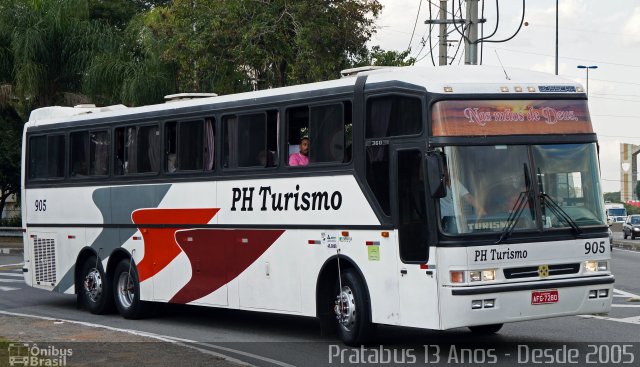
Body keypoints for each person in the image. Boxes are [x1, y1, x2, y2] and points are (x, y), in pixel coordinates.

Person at [440, 163, 485, 233]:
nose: (447, 172)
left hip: (458, 219)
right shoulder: (437, 183)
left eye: (448, 170)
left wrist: (481, 209)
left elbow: (468, 197)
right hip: (444, 220)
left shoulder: (455, 183)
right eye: (445, 170)